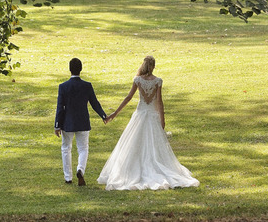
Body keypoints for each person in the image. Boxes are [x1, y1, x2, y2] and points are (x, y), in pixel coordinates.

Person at [96, 55, 199, 190]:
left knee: (133, 144)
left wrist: (115, 114)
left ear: (143, 65)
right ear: (154, 66)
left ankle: (131, 169)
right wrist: (162, 119)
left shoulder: (138, 80)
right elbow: (159, 101)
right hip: (151, 116)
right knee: (153, 145)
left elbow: (128, 98)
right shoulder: (158, 81)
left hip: (139, 115)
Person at [54, 57, 108, 186]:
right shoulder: (87, 86)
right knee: (83, 148)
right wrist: (103, 115)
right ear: (81, 69)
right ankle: (80, 169)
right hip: (83, 121)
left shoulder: (63, 87)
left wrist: (57, 125)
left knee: (66, 148)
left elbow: (60, 107)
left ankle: (68, 177)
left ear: (69, 69)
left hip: (67, 122)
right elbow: (94, 103)